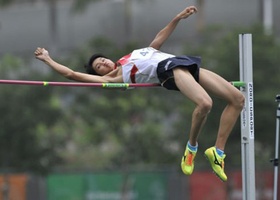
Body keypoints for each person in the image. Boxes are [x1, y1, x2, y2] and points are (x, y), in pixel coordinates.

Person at [34, 5, 244, 182]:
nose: (104, 63)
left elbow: (157, 41)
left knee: (237, 99)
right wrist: (48, 59)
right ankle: (191, 148)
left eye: (103, 59)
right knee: (205, 104)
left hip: (184, 63)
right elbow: (72, 74)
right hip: (170, 71)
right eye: (99, 66)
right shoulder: (111, 79)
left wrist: (177, 18)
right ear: (100, 74)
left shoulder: (131, 56)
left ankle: (217, 152)